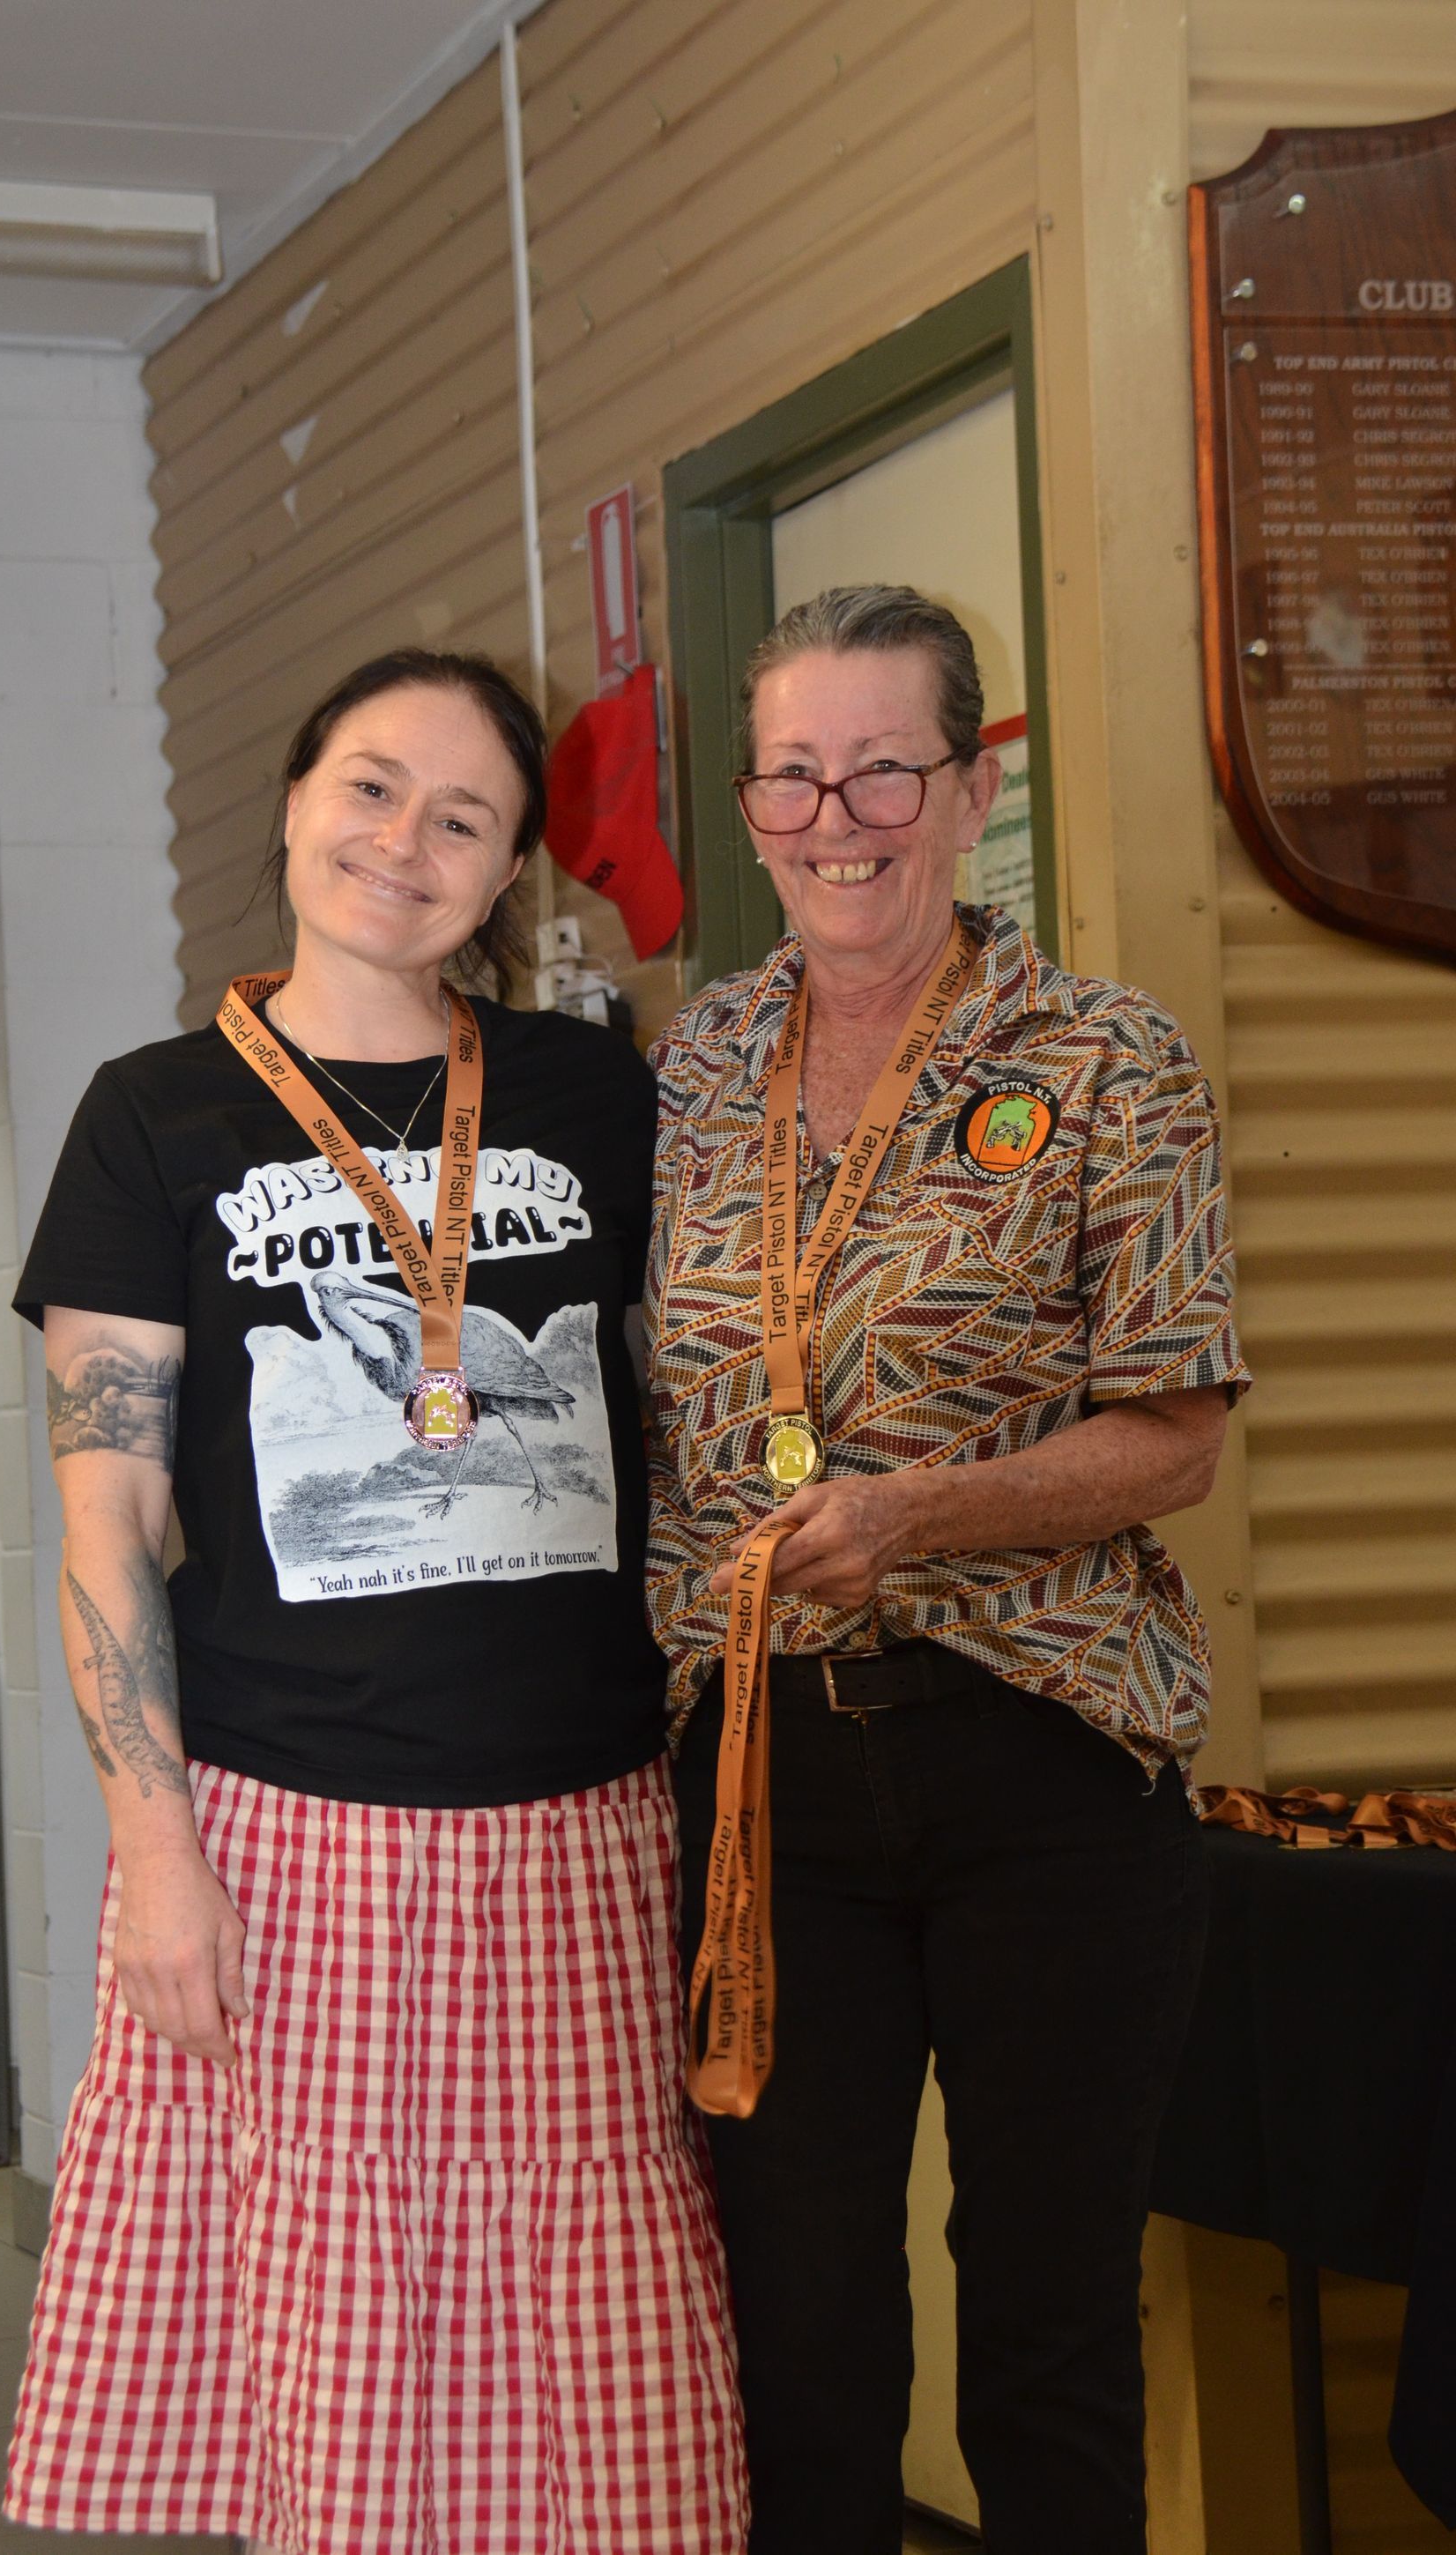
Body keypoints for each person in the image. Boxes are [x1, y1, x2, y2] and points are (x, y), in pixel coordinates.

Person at [4, 649, 747, 2553]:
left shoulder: (596, 1093)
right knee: (341, 2375)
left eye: (462, 817)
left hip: (581, 1814)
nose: (402, 842)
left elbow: (719, 1381)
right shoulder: (153, 1114)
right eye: (368, 785)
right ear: (293, 800)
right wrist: (153, 1850)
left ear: (508, 877)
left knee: (602, 2362)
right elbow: (108, 1522)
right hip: (288, 1821)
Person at [644, 586, 1249, 2555]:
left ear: (973, 783)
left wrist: (913, 1514)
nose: (842, 816)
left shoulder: (1103, 1058)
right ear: (750, 809)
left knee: (1045, 2329)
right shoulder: (691, 1072)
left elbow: (1178, 1431)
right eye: (797, 775)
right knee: (803, 2332)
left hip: (1045, 1763)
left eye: (885, 766)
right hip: (770, 1785)